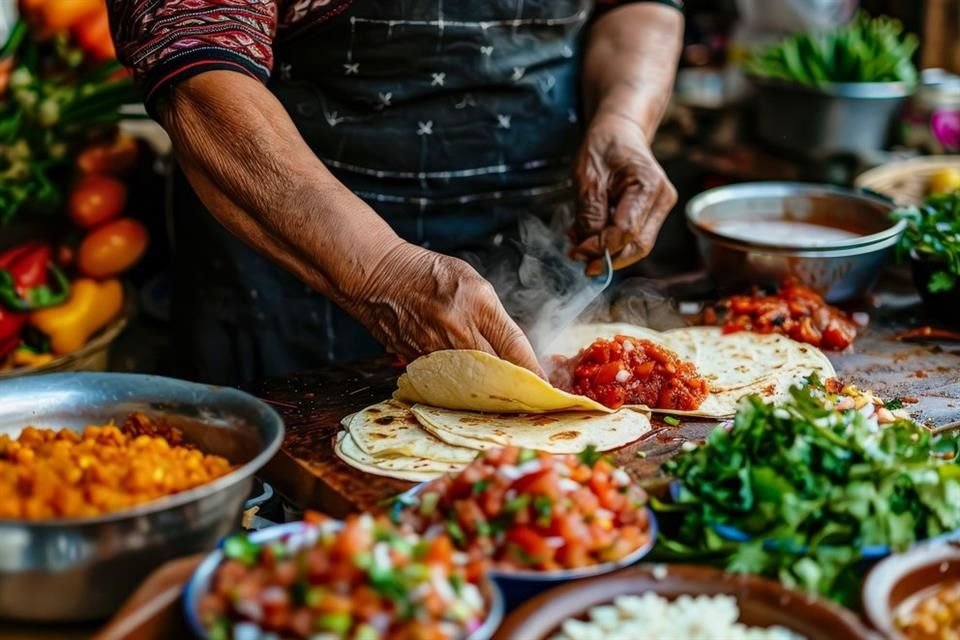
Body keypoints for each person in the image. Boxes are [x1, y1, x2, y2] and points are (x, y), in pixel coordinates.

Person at [108, 0, 684, 385]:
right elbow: (197, 72)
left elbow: (638, 5)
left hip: (538, 241)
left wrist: (624, 121)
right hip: (297, 268)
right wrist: (380, 272)